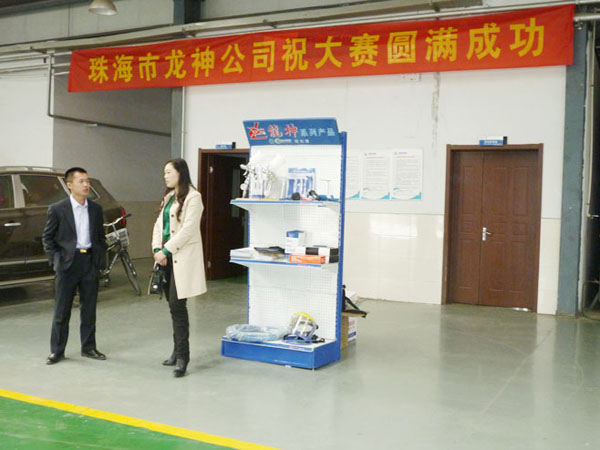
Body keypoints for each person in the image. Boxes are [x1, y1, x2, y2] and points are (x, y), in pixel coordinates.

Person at [42, 167, 108, 365]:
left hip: (89, 262)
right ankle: (57, 351)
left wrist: (99, 258)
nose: (86, 185)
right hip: (67, 264)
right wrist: (56, 260)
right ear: (69, 185)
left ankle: (89, 348)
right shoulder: (58, 209)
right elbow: (47, 237)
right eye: (81, 181)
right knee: (62, 310)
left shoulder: (95, 209)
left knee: (89, 309)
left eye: (88, 181)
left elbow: (100, 237)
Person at [152, 158, 206, 377]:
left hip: (180, 258)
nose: (165, 176)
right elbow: (159, 225)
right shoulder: (168, 197)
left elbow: (188, 230)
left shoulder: (194, 197)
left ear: (180, 173)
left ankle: (183, 356)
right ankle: (176, 351)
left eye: (168, 172)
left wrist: (166, 251)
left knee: (177, 305)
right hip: (165, 257)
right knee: (173, 307)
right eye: (164, 172)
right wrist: (157, 248)